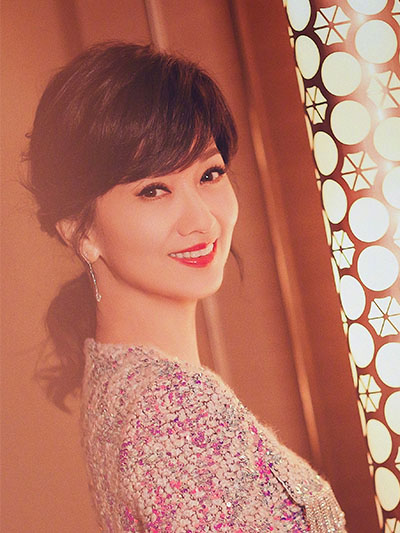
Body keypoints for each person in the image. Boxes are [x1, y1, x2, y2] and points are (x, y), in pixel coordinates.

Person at [27, 42, 346, 532]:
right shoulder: (174, 407)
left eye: (210, 174)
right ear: (80, 231)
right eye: (154, 189)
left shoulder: (117, 380)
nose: (202, 220)